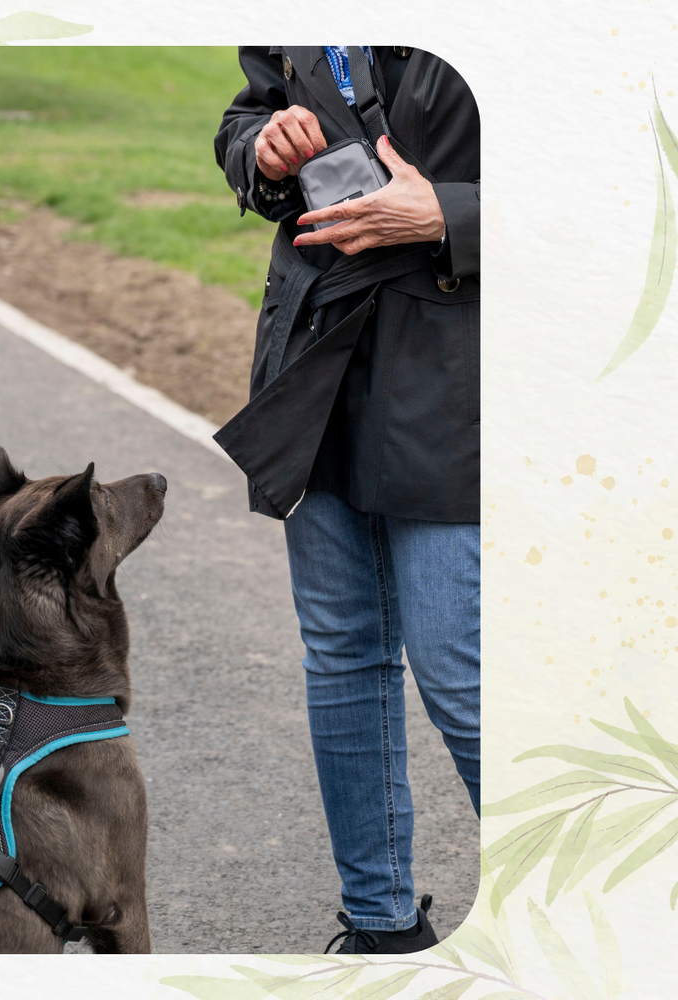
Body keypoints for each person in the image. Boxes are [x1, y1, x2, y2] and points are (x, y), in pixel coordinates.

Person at [214, 46, 480, 954]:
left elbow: (626, 183)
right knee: (341, 654)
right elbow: (246, 113)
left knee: (462, 670)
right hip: (317, 355)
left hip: (460, 371)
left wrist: (452, 210)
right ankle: (380, 928)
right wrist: (264, 145)